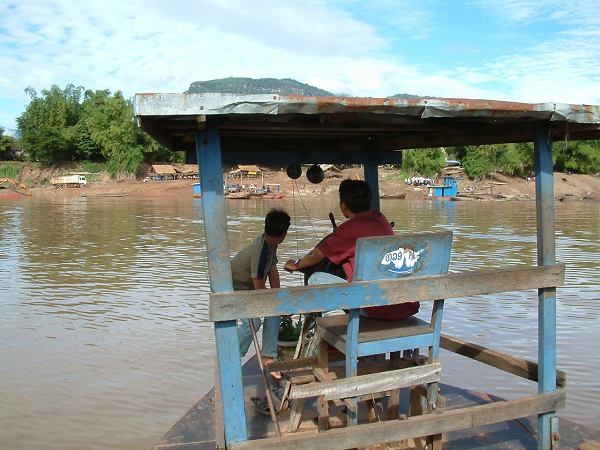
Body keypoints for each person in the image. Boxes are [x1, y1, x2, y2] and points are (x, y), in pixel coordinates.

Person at [284, 179, 419, 320]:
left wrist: (297, 265)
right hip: (404, 304)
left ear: (343, 205)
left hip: (376, 307)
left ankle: (334, 324)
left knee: (316, 279)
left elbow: (315, 255)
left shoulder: (348, 229)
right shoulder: (380, 219)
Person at [233, 208, 291, 379]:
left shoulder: (270, 244)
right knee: (253, 322)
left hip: (248, 290)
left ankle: (268, 355)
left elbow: (273, 271)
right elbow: (259, 287)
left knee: (274, 311)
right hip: (235, 290)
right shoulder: (260, 251)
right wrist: (278, 302)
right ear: (284, 234)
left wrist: (279, 298)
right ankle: (232, 354)